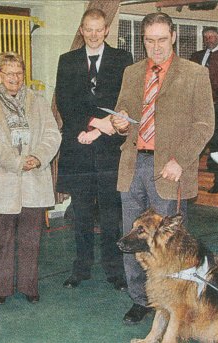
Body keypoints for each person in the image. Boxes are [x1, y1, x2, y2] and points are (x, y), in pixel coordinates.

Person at [111, 12, 215, 325]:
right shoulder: (131, 72)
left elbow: (204, 125)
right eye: (149, 40)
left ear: (173, 38)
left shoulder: (195, 74)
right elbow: (124, 114)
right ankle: (140, 300)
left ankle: (171, 305)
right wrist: (119, 123)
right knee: (132, 238)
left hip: (170, 171)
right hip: (132, 164)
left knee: (170, 246)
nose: (155, 46)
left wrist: (180, 159)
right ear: (143, 40)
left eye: (161, 39)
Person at [55, 8, 133, 291]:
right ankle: (81, 268)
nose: (93, 34)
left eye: (98, 29)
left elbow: (127, 101)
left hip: (110, 148)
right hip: (78, 147)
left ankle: (115, 270)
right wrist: (91, 123)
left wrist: (102, 128)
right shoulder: (67, 61)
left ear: (107, 30)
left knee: (112, 214)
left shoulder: (123, 59)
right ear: (81, 29)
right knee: (82, 213)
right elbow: (64, 101)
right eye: (88, 29)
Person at [0, 52, 61, 305]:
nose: (14, 78)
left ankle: (29, 286)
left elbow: (52, 135)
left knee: (31, 239)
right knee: (2, 240)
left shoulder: (38, 101)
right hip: (2, 179)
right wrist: (16, 161)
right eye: (8, 73)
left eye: (18, 72)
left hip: (34, 178)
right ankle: (1, 289)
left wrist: (37, 156)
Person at [190, 27, 218, 193]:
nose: (209, 39)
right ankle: (187, 181)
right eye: (206, 37)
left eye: (212, 36)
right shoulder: (196, 56)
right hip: (198, 108)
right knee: (194, 143)